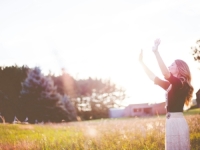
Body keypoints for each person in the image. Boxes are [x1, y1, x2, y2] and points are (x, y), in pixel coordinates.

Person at [139, 39, 193, 150]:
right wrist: (141, 62)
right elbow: (152, 77)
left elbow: (165, 73)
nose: (169, 66)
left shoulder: (181, 83)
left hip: (177, 123)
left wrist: (156, 52)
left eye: (172, 65)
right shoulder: (172, 85)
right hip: (170, 122)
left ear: (179, 68)